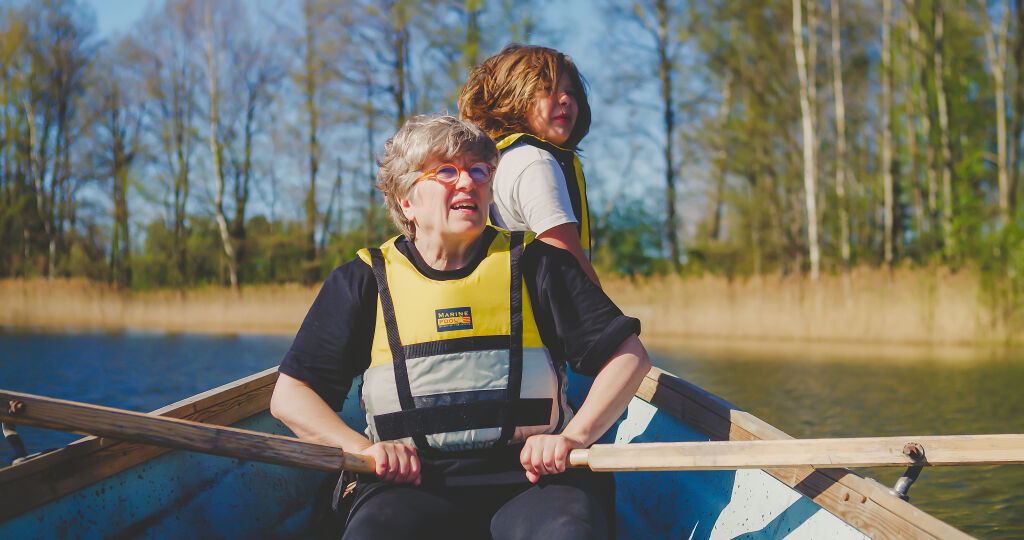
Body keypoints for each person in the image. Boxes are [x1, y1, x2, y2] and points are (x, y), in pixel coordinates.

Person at [270, 115, 650, 540]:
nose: (468, 182)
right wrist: (364, 450)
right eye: (447, 171)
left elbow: (628, 357)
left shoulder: (539, 265)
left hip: (534, 479)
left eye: (479, 170)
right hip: (407, 484)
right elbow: (290, 397)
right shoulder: (361, 281)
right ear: (406, 200)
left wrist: (575, 437)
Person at [459, 44, 600, 285]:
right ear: (513, 97)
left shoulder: (498, 159)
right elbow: (567, 263)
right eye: (548, 89)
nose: (565, 99)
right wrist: (608, 318)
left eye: (571, 92)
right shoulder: (535, 162)